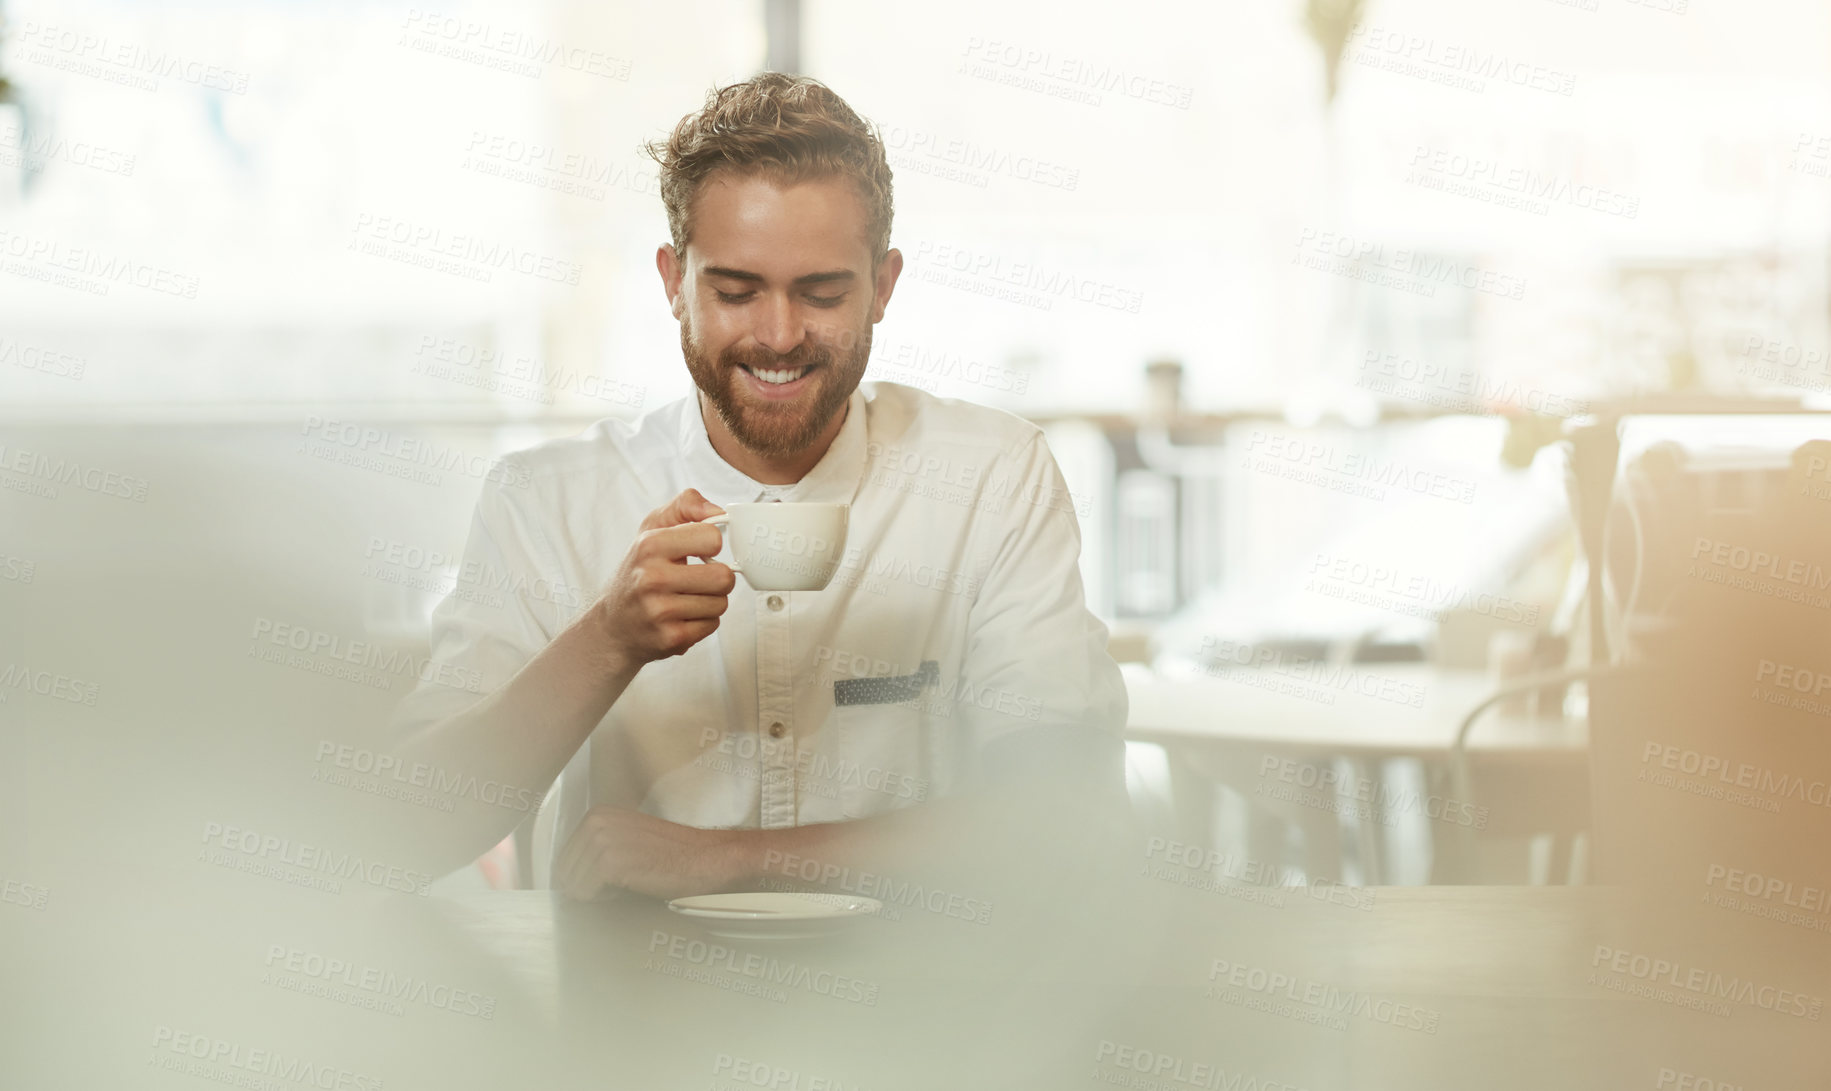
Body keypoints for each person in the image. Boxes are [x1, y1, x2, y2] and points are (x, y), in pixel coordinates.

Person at [387, 73, 1128, 901]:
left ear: (882, 287)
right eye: (735, 291)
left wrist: (733, 860)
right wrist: (609, 638)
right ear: (674, 281)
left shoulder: (990, 473)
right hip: (629, 1011)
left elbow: (1070, 819)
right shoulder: (546, 501)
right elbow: (407, 831)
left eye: (822, 292)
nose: (778, 336)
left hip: (919, 1007)